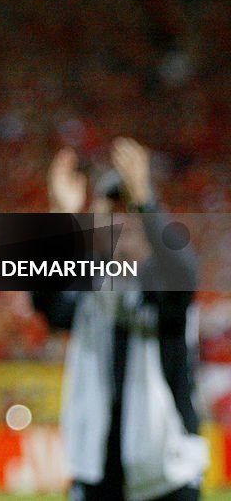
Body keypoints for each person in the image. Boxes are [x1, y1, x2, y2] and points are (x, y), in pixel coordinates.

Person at [33, 139, 207, 501]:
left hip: (166, 474)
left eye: (128, 206)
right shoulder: (89, 286)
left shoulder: (163, 284)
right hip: (97, 470)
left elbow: (184, 274)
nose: (120, 217)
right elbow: (45, 296)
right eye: (110, 207)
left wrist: (146, 201)